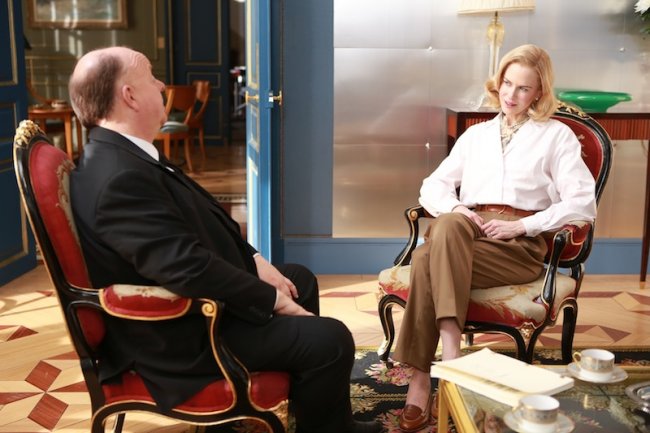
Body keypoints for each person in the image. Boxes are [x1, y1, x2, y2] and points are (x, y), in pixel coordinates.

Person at [67, 46, 382, 433]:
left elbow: (201, 223)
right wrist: (271, 300)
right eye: (151, 77)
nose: (162, 85)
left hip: (198, 307)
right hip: (184, 333)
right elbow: (186, 267)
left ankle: (317, 418)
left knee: (298, 279)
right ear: (129, 96)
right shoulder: (118, 176)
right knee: (331, 340)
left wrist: (255, 262)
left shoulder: (125, 155)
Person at [393, 44, 597, 432]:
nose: (511, 95)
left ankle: (420, 380)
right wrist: (459, 209)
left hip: (518, 245)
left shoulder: (557, 137)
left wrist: (524, 226)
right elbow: (433, 186)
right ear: (498, 82)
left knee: (425, 259)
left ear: (539, 92)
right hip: (467, 231)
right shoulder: (476, 135)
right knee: (449, 224)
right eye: (507, 83)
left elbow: (582, 203)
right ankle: (451, 358)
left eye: (523, 88)